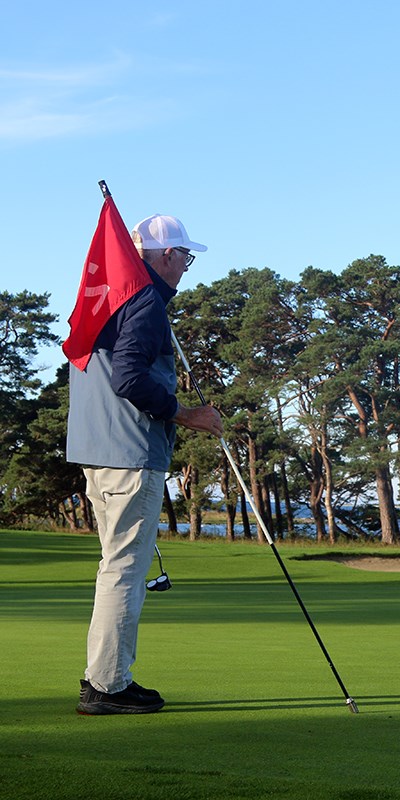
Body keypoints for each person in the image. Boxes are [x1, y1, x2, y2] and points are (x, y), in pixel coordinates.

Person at [67, 213, 223, 714]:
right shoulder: (144, 302)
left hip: (100, 451)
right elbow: (129, 379)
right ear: (166, 257)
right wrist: (189, 415)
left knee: (117, 567)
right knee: (124, 571)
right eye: (185, 257)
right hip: (130, 453)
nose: (186, 267)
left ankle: (104, 678)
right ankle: (107, 687)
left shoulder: (107, 296)